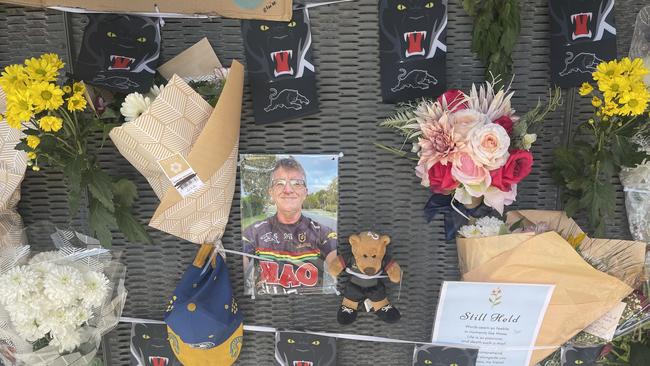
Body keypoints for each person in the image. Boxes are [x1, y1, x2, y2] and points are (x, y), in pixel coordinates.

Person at [242, 158, 337, 293]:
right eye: (279, 183)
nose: (288, 189)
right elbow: (237, 264)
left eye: (297, 183)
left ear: (305, 192)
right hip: (267, 310)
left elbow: (337, 260)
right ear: (271, 192)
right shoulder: (253, 232)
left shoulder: (323, 233)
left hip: (311, 310)